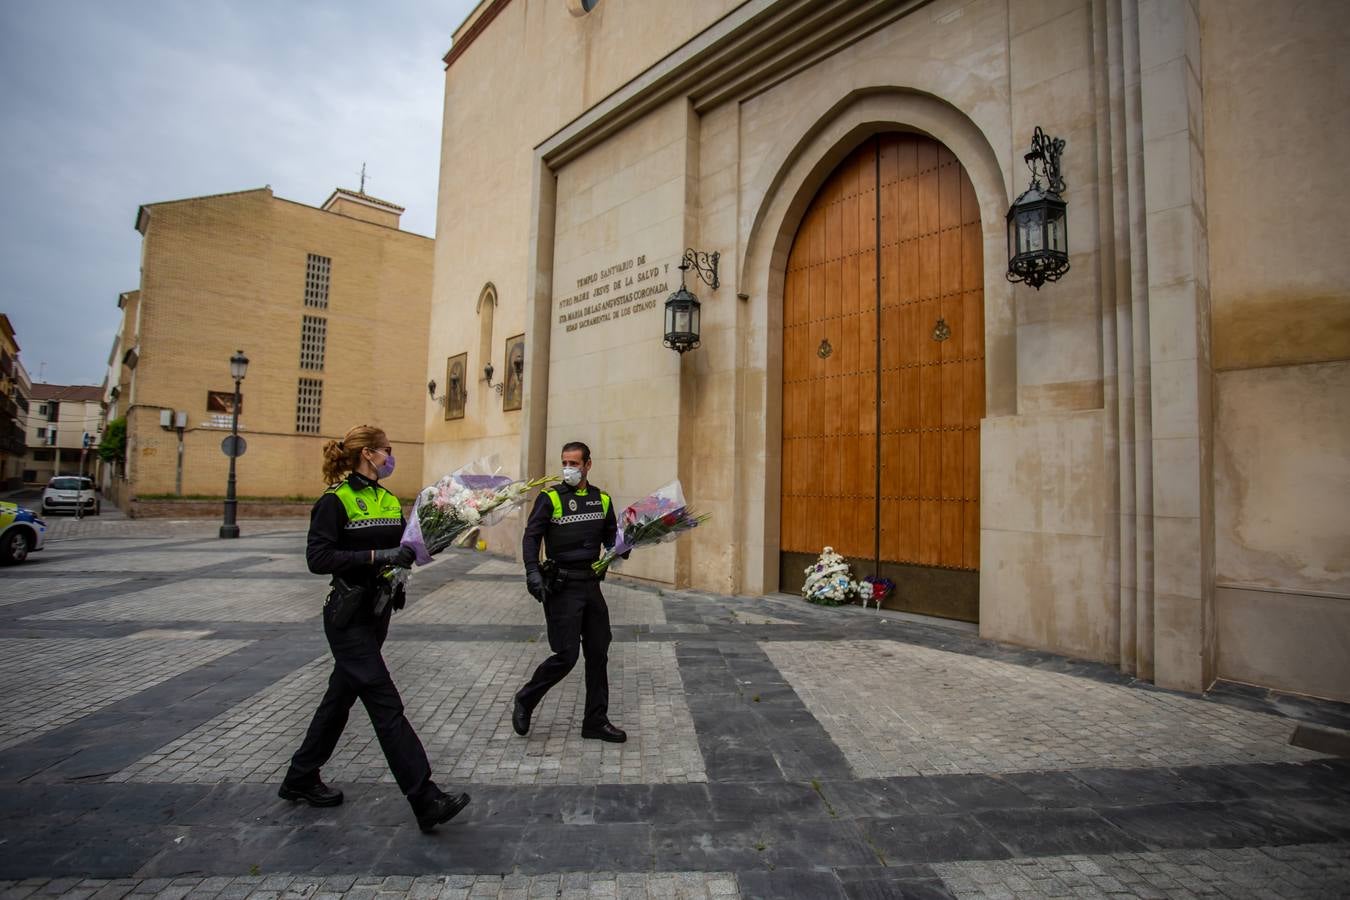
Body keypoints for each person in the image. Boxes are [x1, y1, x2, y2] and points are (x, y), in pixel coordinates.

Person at [279, 424, 470, 833]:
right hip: (346, 619)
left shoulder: (386, 498)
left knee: (339, 698)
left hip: (377, 612)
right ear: (367, 454)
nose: (390, 456)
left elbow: (405, 545)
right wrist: (378, 554)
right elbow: (319, 557)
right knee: (385, 704)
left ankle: (301, 776)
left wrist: (438, 536)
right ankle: (425, 797)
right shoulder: (335, 500)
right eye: (386, 449)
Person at [512, 441, 627, 743]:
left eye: (575, 463)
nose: (568, 469)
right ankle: (526, 699)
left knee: (598, 653)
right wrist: (531, 570)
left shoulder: (602, 499)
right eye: (565, 462)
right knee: (566, 655)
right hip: (562, 587)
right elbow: (531, 535)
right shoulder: (550, 497)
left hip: (590, 585)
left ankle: (595, 721)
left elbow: (612, 537)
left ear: (588, 465)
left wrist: (625, 545)